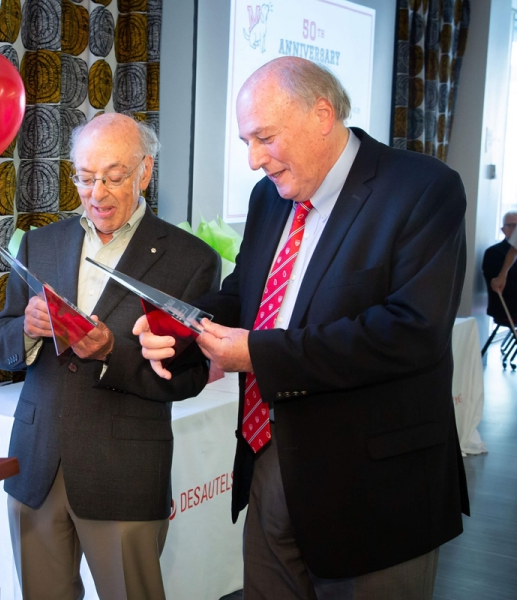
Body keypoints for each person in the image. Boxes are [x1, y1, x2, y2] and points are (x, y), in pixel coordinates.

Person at [136, 57, 469, 599]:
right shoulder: (269, 196)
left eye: (264, 138)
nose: (252, 160)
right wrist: (178, 328)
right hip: (270, 461)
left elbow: (411, 331)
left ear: (321, 115)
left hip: (375, 490)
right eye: (247, 140)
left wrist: (261, 356)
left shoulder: (423, 189)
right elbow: (245, 295)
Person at [0, 113, 220, 600]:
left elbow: (188, 376)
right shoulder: (41, 242)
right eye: (85, 178)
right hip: (37, 464)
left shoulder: (189, 259)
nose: (97, 193)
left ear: (145, 172)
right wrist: (27, 330)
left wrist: (113, 352)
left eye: (113, 177)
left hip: (124, 470)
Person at [483, 211, 517, 321]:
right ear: (503, 229)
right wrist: (503, 275)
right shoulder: (493, 252)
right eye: (512, 225)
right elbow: (503, 285)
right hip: (507, 305)